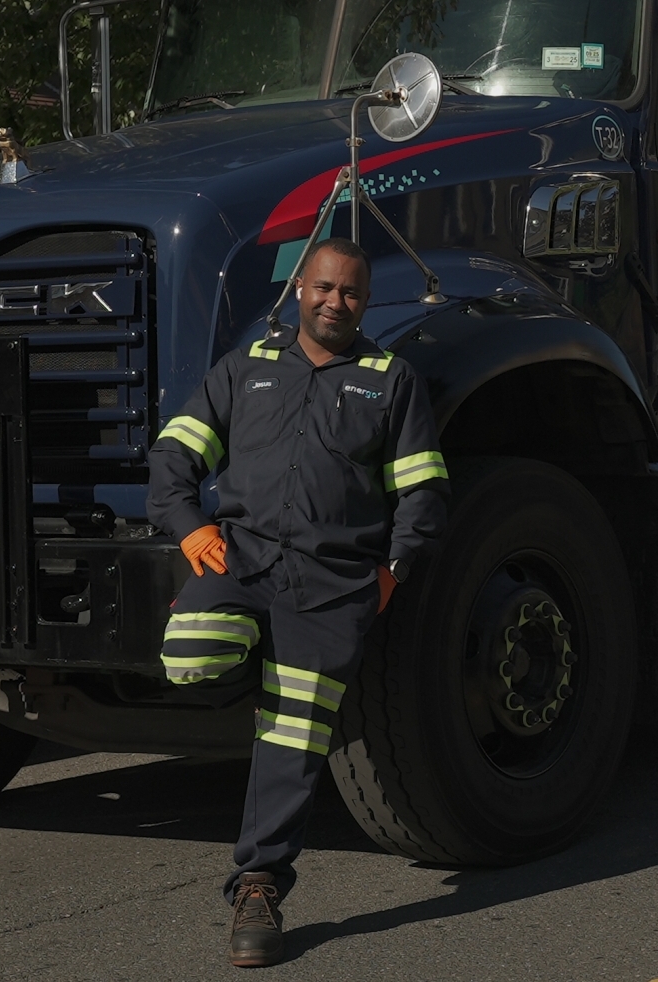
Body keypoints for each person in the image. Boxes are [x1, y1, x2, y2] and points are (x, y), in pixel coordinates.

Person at [148, 237, 448, 968]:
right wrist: (190, 531)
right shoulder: (246, 367)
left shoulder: (389, 380)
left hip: (332, 583)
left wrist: (392, 574)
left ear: (364, 303)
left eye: (348, 292)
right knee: (187, 655)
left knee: (292, 741)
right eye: (322, 287)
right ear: (300, 292)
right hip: (242, 561)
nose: (333, 301)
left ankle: (258, 885)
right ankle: (264, 678)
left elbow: (425, 491)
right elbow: (173, 455)